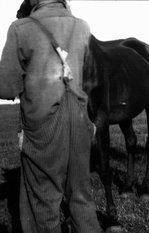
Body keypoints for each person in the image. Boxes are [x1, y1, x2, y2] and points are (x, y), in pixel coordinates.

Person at [0, 0, 102, 232]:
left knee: (42, 202)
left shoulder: (20, 28)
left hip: (42, 124)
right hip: (79, 119)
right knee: (81, 197)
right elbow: (91, 78)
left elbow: (6, 88)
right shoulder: (82, 26)